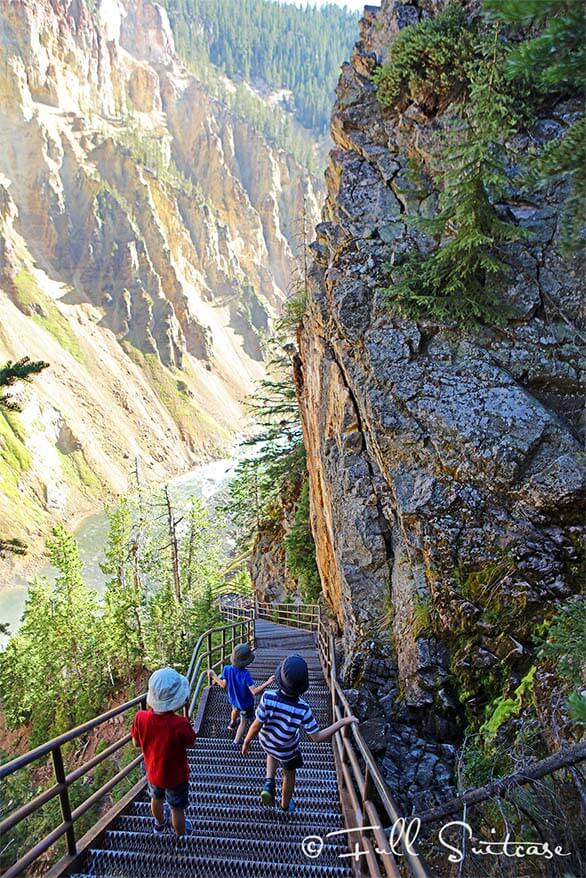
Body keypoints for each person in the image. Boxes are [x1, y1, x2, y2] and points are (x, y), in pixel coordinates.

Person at [242, 654, 358, 812]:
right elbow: (317, 737)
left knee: (272, 752)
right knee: (289, 776)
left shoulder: (267, 697)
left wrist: (247, 741)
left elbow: (256, 725)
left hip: (267, 741)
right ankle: (284, 805)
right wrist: (341, 722)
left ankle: (269, 782)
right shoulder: (303, 709)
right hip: (287, 750)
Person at [131, 667, 195, 836]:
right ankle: (181, 838)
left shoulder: (140, 718)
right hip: (176, 776)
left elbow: (136, 743)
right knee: (177, 809)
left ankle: (159, 824)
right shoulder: (180, 724)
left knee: (156, 799)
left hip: (153, 772)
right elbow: (191, 742)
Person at [208, 643, 274, 746]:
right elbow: (254, 691)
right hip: (245, 704)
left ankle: (232, 723)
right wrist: (268, 682)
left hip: (233, 699)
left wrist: (213, 675)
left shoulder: (227, 669)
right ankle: (236, 741)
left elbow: (223, 685)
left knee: (234, 710)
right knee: (243, 722)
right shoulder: (245, 674)